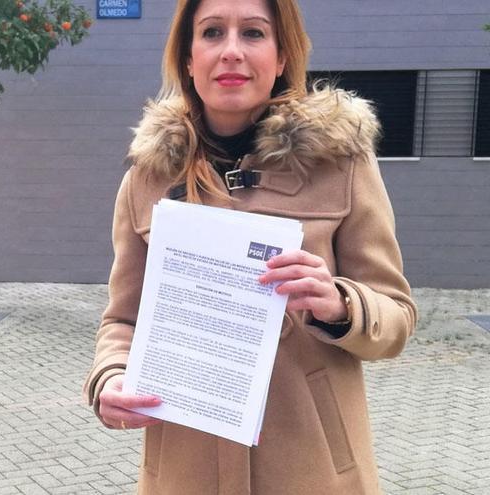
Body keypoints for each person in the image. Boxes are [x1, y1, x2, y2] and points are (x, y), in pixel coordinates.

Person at [81, 0, 418, 493]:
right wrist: (110, 378)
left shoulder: (341, 165)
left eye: (254, 34)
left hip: (314, 471)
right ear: (188, 59)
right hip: (185, 469)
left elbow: (397, 317)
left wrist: (340, 304)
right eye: (213, 32)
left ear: (282, 57)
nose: (232, 51)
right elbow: (122, 319)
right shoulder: (147, 179)